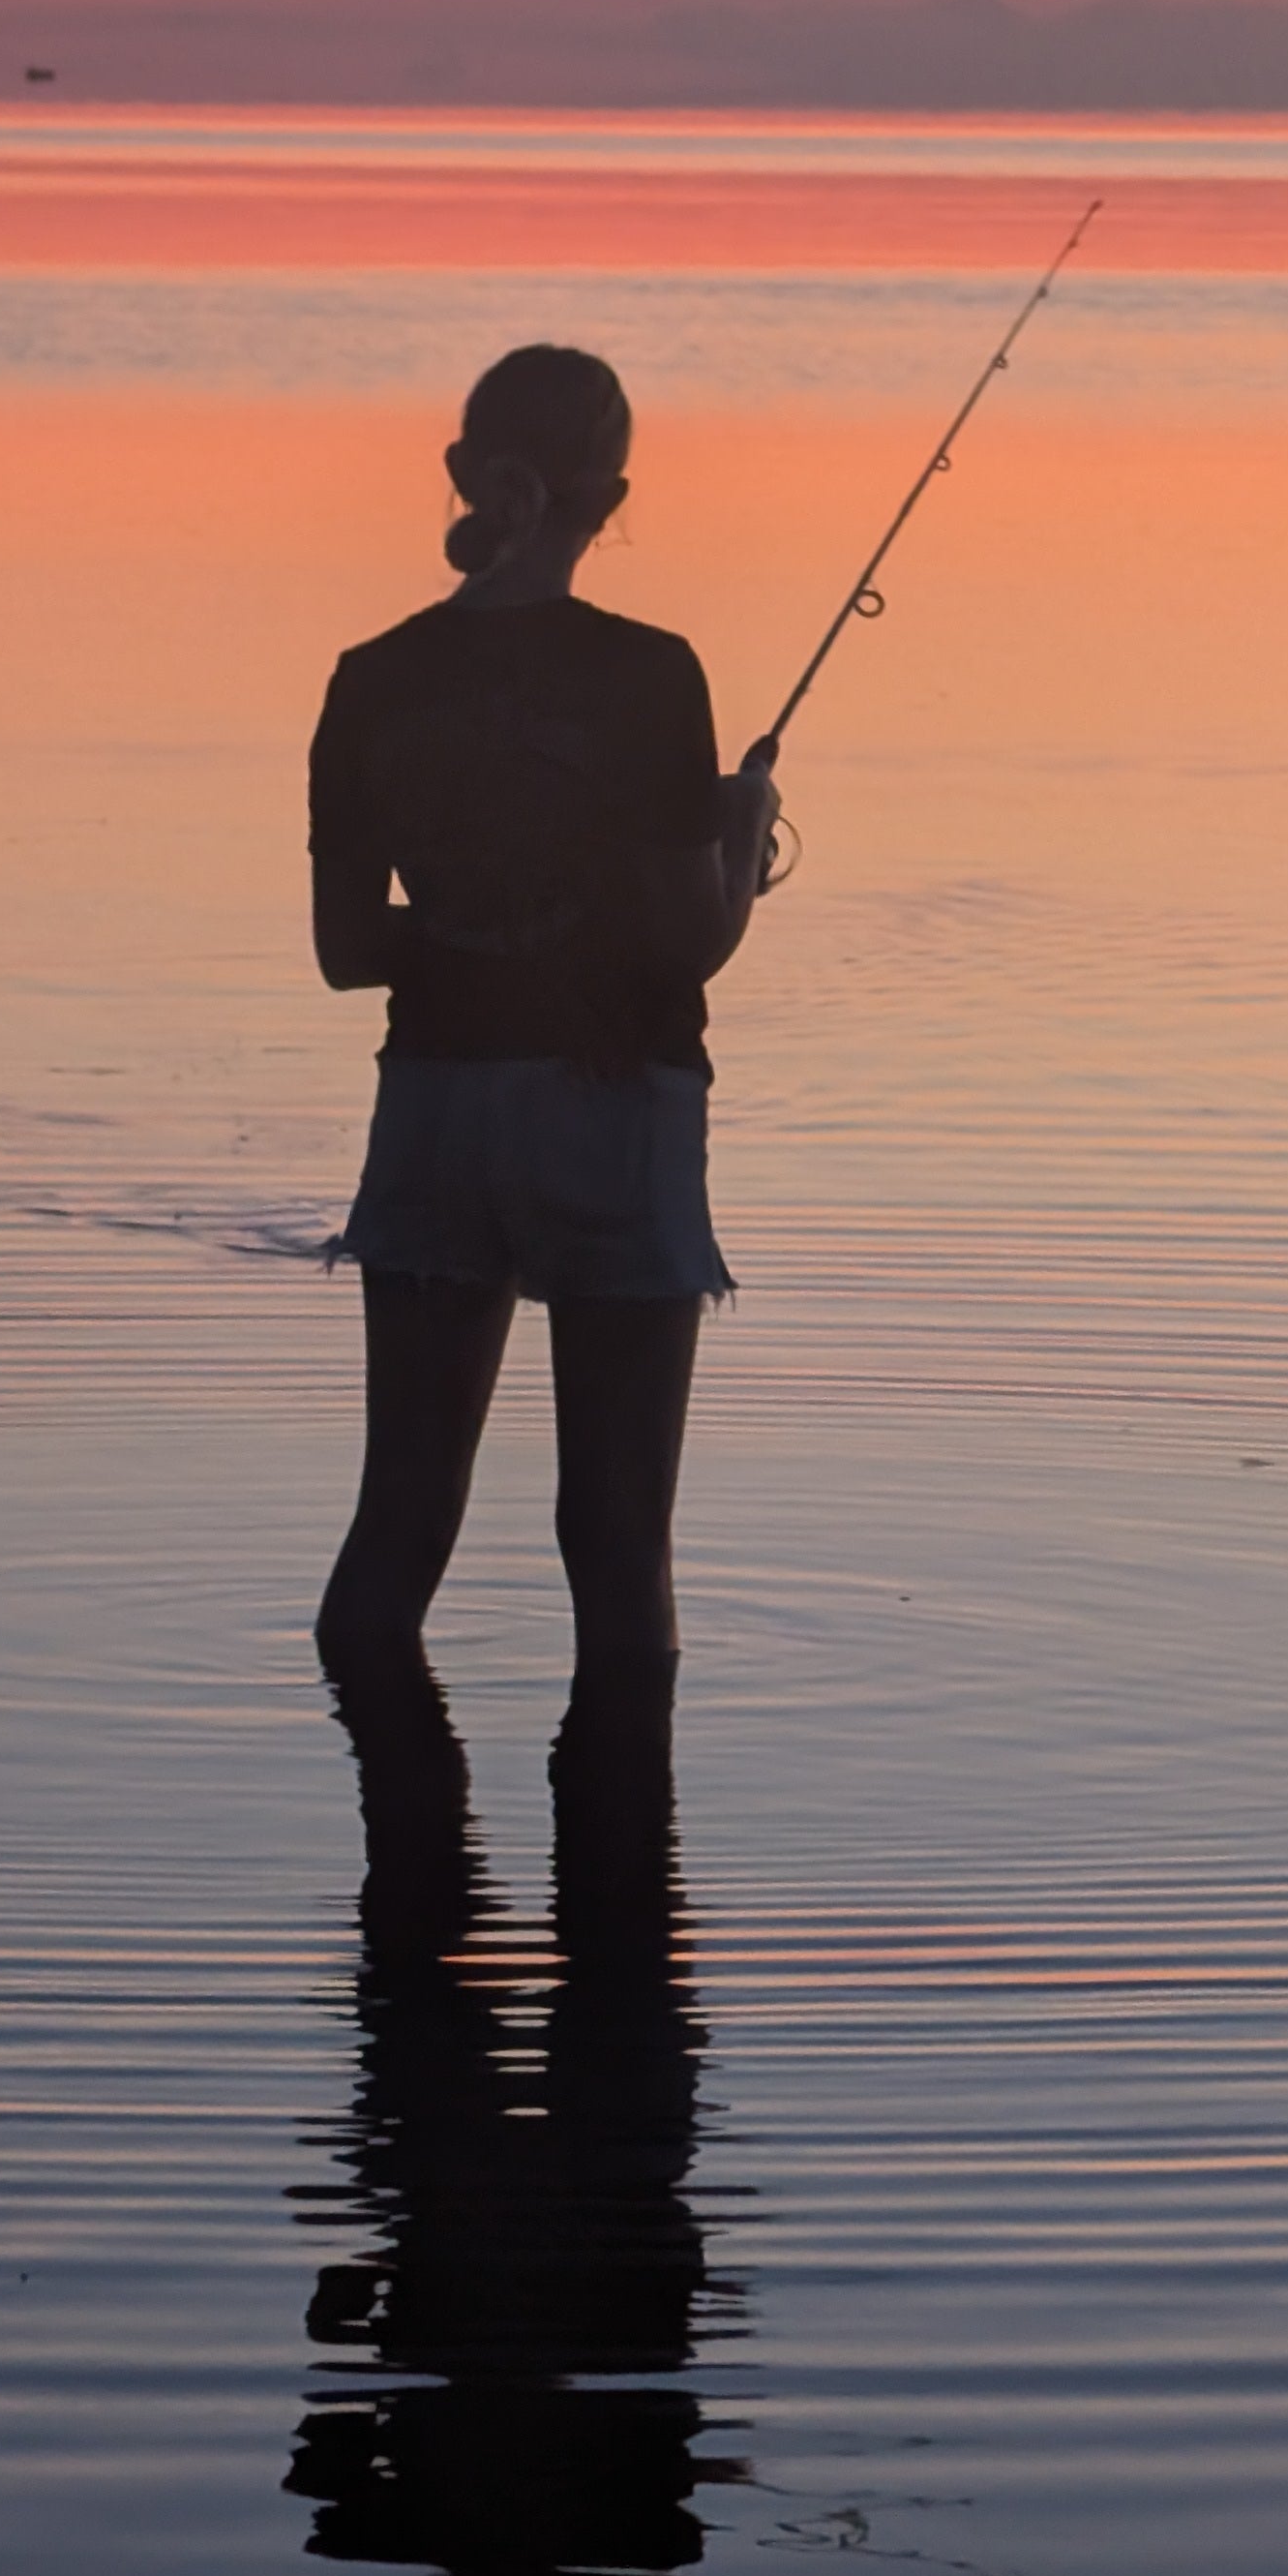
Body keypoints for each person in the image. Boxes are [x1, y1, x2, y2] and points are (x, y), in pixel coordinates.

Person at [309, 345, 775, 1733]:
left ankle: (401, 1901)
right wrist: (742, 834)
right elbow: (687, 944)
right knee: (619, 1550)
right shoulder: (652, 677)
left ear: (465, 475)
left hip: (436, 1114)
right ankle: (622, 1924)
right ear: (613, 494)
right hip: (614, 1115)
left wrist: (484, 951)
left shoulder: (370, 678)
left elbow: (347, 957)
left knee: (397, 1532)